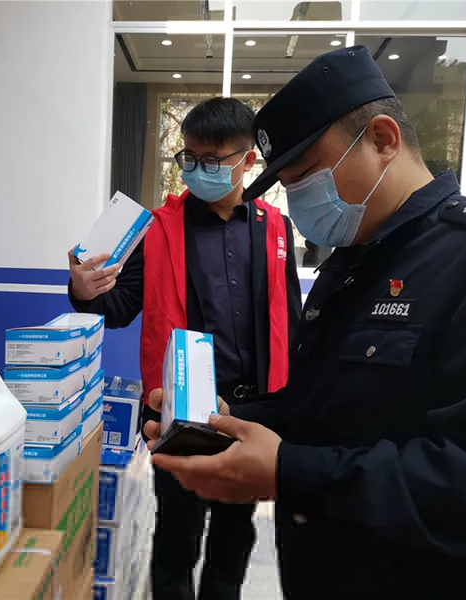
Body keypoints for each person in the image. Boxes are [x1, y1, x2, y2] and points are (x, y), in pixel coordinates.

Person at [143, 45, 466, 600]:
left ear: (383, 140)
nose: (298, 198)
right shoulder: (348, 267)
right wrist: (223, 419)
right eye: (288, 184)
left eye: (305, 175)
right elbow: (319, 409)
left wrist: (288, 473)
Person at [67, 97, 302, 600]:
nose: (197, 170)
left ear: (248, 161)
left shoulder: (276, 228)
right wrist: (85, 292)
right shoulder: (156, 228)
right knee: (177, 531)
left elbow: (292, 318)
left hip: (251, 409)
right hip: (176, 409)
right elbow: (120, 306)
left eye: (212, 160)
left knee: (235, 531)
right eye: (189, 158)